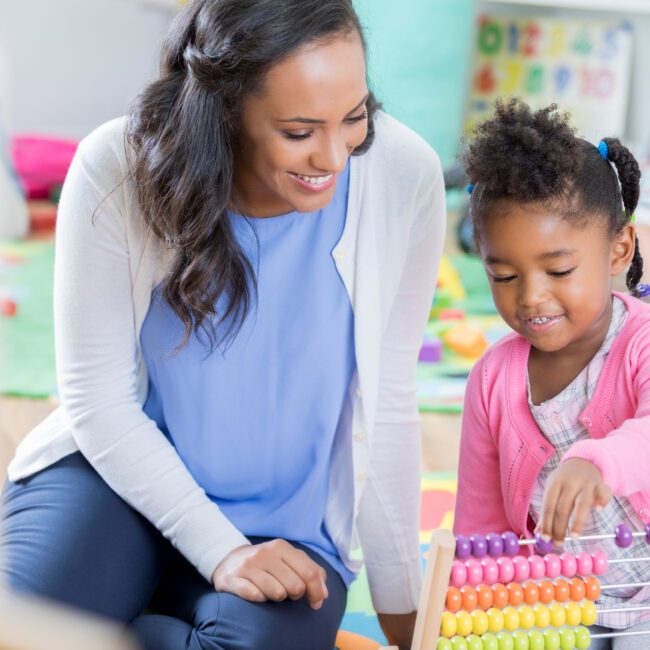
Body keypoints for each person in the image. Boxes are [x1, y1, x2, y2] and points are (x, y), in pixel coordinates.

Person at [0, 1, 446, 649]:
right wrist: (218, 552)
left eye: (355, 116)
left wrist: (405, 614)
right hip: (115, 485)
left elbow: (392, 402)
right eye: (299, 131)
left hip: (287, 529)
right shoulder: (116, 166)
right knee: (24, 630)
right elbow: (97, 399)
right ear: (225, 111)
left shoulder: (403, 174)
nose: (334, 155)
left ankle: (128, 622)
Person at [453, 98, 650, 648]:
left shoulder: (642, 342)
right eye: (505, 275)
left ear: (619, 248)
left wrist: (597, 461)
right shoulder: (493, 380)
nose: (532, 296)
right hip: (557, 606)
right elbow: (480, 518)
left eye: (559, 270)